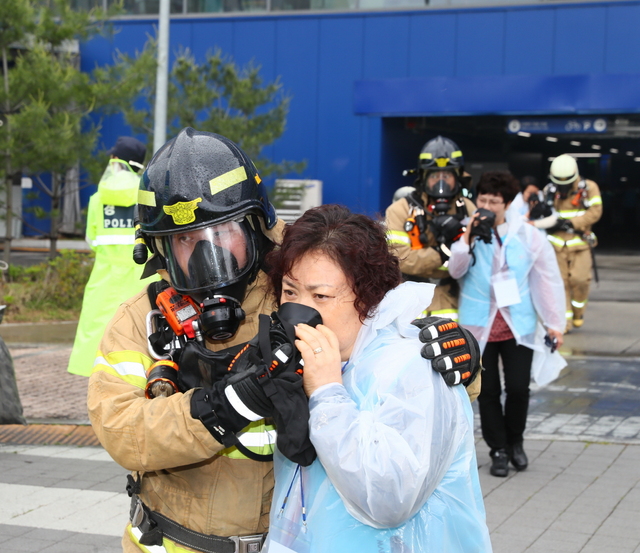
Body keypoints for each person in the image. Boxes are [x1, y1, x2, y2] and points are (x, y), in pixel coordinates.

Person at [87, 128, 481, 553]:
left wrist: (456, 356)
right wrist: (224, 407)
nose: (207, 256)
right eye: (186, 241)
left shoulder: (295, 283)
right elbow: (120, 429)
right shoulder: (142, 320)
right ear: (159, 249)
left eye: (223, 234)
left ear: (256, 225)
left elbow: (384, 345)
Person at [263, 204, 492, 553]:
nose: (298, 310)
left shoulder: (410, 368)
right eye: (290, 292)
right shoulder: (310, 363)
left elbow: (389, 499)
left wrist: (326, 393)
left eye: (320, 296)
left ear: (367, 298)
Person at [448, 171, 565, 478]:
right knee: (486, 392)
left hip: (517, 323)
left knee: (517, 388)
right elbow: (456, 270)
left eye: (494, 201)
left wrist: (555, 323)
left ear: (508, 203)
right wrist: (468, 238)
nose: (486, 205)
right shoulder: (466, 231)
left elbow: (547, 279)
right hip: (478, 324)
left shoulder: (528, 235)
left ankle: (516, 441)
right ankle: (497, 449)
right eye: (482, 199)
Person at [67, 136, 158, 377]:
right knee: (142, 336)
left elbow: (92, 241)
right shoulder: (146, 196)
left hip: (104, 279)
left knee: (99, 336)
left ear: (115, 160)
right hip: (142, 279)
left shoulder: (98, 199)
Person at [544, 154, 603, 331]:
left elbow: (596, 211)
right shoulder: (550, 190)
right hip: (556, 245)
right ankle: (564, 323)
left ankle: (578, 312)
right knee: (559, 284)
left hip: (580, 243)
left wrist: (572, 223)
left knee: (580, 280)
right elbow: (545, 213)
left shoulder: (589, 187)